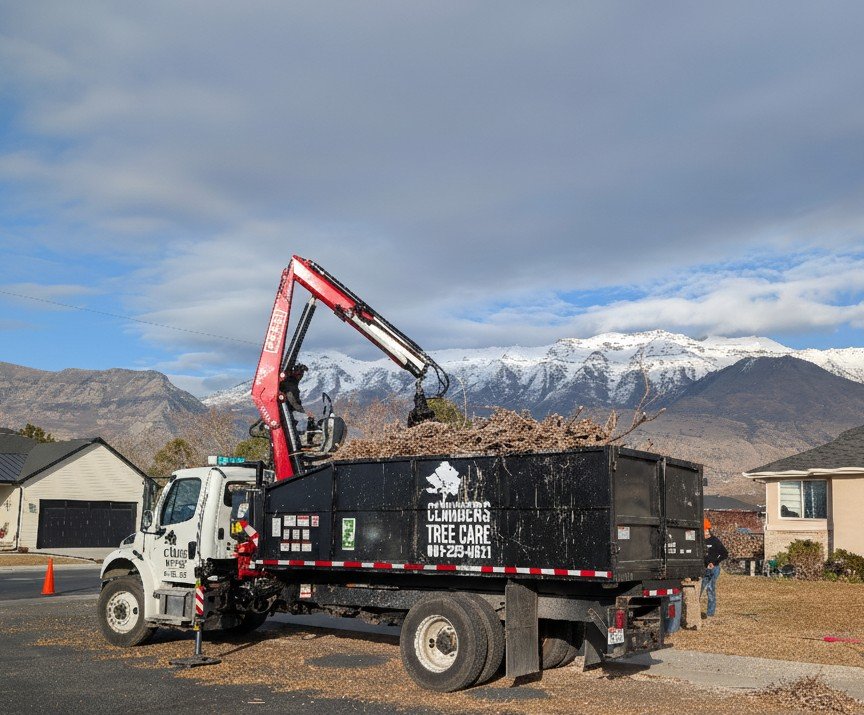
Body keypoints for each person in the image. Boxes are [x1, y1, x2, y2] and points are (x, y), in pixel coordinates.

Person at [701, 517, 728, 618]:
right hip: (703, 569)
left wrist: (714, 562)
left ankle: (710, 613)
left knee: (710, 589)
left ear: (707, 529)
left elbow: (725, 554)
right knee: (699, 590)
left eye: (704, 529)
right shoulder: (699, 542)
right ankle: (693, 613)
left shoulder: (714, 540)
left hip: (714, 569)